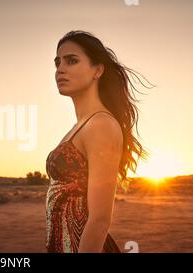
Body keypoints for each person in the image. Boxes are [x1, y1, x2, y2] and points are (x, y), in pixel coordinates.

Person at [45, 30, 152, 253]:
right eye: (57, 63)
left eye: (71, 61)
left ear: (98, 70)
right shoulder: (80, 126)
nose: (60, 69)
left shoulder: (101, 124)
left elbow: (100, 219)